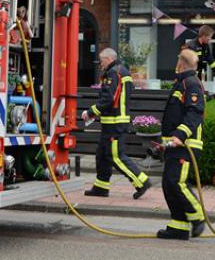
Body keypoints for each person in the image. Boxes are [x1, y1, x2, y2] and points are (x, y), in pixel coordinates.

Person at [82, 48, 151, 199]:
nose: (100, 65)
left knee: (115, 156)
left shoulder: (114, 72)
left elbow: (109, 99)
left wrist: (90, 112)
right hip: (112, 122)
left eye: (101, 61)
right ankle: (101, 187)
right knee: (102, 155)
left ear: (108, 59)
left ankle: (142, 181)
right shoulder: (120, 71)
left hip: (115, 123)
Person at [157, 49, 206, 240]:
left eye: (177, 61)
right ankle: (178, 226)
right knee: (168, 184)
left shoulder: (191, 84)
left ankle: (198, 216)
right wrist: (165, 142)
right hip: (175, 144)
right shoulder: (181, 84)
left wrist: (179, 136)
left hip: (186, 145)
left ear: (181, 64)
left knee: (176, 182)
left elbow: (194, 113)